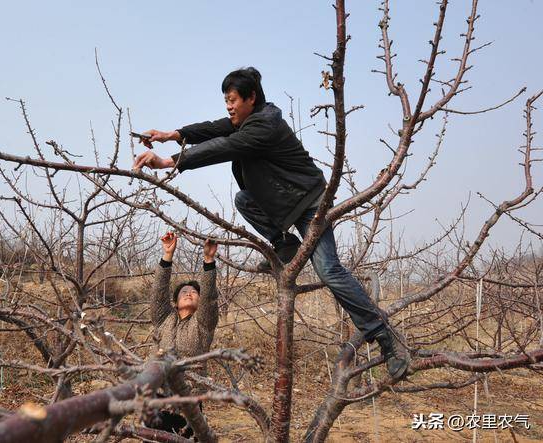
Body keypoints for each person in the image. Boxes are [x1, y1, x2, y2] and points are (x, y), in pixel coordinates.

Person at [133, 67, 410, 379]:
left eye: (233, 99)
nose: (228, 106)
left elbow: (224, 145)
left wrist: (171, 161)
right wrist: (173, 135)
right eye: (226, 100)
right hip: (288, 202)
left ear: (251, 98)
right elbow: (215, 129)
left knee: (330, 271)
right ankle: (284, 244)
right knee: (244, 200)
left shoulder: (264, 125)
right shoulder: (249, 119)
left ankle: (389, 340)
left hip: (309, 204)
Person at [145, 231, 218, 437]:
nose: (188, 293)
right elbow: (158, 292)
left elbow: (210, 297)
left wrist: (209, 261)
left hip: (188, 401)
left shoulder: (204, 324)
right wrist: (167, 256)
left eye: (194, 292)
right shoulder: (163, 319)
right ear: (175, 302)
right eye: (184, 291)